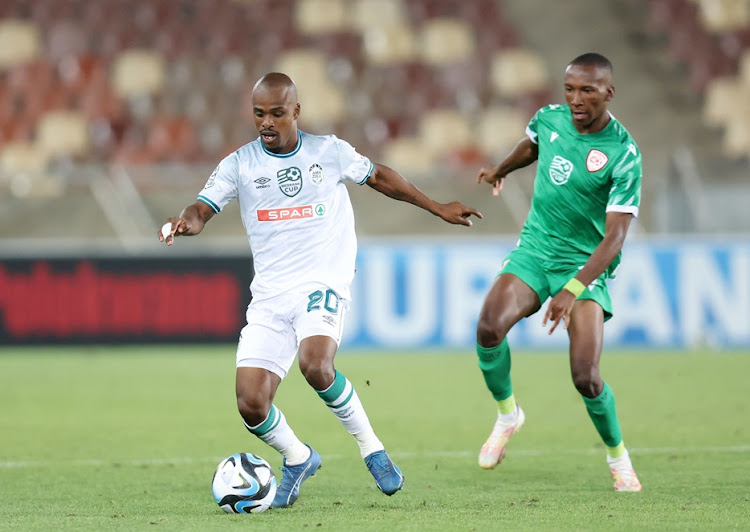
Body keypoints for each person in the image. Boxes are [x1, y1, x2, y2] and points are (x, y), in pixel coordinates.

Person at [159, 72, 482, 508]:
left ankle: (372, 449)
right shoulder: (240, 163)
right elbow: (202, 208)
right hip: (271, 294)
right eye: (259, 114)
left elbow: (381, 177)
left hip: (322, 279)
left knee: (316, 364)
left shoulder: (327, 151)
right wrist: (186, 222)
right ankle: (298, 457)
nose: (267, 122)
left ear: (296, 111)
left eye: (276, 113)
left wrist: (438, 207)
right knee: (251, 402)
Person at [474, 53, 642, 492]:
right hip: (536, 249)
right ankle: (508, 414)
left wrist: (572, 288)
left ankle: (617, 456)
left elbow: (614, 239)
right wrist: (500, 169)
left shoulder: (623, 154)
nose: (576, 99)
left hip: (585, 265)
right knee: (489, 327)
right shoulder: (549, 119)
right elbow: (532, 146)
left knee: (585, 375)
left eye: (587, 90)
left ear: (609, 92)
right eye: (570, 89)